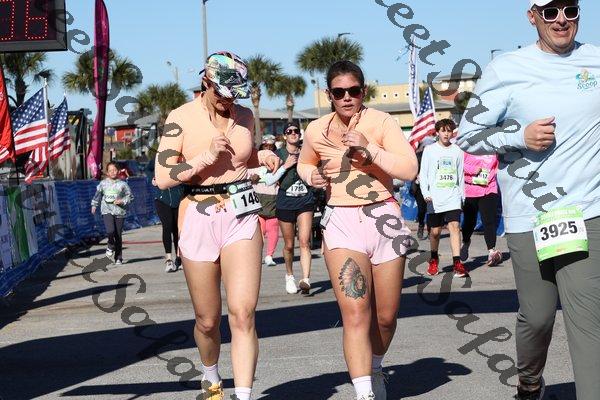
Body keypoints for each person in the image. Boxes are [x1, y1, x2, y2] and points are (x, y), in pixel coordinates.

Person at [457, 1, 600, 399]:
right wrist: (518, 136)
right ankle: (529, 382)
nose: (561, 20)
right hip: (530, 215)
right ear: (532, 16)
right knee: (537, 317)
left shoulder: (595, 60)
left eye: (570, 10)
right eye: (550, 12)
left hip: (588, 209)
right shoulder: (506, 69)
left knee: (588, 322)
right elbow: (468, 135)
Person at [155, 51, 281, 400]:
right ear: (206, 83)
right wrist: (204, 157)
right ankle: (211, 376)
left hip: (241, 212)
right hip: (198, 213)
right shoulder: (180, 117)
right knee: (208, 320)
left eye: (235, 95)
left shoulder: (245, 116)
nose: (230, 101)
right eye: (224, 94)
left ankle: (244, 395)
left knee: (243, 314)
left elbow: (245, 159)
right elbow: (163, 176)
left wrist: (263, 157)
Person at [298, 60, 418, 400]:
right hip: (341, 221)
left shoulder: (382, 122)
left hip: (384, 219)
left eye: (353, 91)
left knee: (385, 317)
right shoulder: (316, 129)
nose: (347, 97)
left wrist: (370, 149)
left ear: (363, 92)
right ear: (329, 95)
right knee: (355, 313)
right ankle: (364, 392)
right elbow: (304, 162)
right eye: (339, 92)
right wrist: (311, 175)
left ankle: (375, 366)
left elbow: (409, 169)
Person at [419, 119, 468, 278]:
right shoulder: (429, 150)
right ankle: (434, 259)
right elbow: (423, 174)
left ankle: (457, 263)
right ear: (437, 132)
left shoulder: (457, 151)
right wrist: (426, 193)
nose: (446, 134)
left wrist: (462, 196)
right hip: (434, 197)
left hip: (453, 196)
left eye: (449, 131)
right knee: (435, 232)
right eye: (443, 131)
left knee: (455, 227)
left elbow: (460, 175)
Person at [276, 122, 315, 294]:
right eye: (289, 131)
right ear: (285, 136)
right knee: (289, 245)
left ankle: (306, 279)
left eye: (296, 131)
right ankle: (289, 275)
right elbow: (269, 178)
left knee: (305, 241)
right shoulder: (278, 154)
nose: (293, 133)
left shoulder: (307, 152)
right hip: (285, 201)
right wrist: (286, 165)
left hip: (305, 200)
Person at [248, 140, 289, 266]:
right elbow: (248, 176)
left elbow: (279, 179)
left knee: (273, 229)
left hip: (273, 200)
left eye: (271, 147)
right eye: (265, 146)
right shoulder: (255, 163)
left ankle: (269, 255)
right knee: (260, 230)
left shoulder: (278, 163)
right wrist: (253, 177)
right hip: (258, 199)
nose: (268, 149)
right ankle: (257, 255)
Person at [460, 153, 502, 266]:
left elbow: (498, 165)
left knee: (489, 221)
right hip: (470, 189)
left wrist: (495, 173)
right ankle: (466, 242)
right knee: (469, 222)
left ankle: (491, 251)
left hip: (489, 188)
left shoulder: (493, 148)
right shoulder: (467, 148)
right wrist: (473, 170)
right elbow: (458, 164)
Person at [146, 150, 184, 272]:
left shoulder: (180, 157)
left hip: (179, 197)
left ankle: (179, 258)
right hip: (162, 198)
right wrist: (152, 178)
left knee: (177, 229)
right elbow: (148, 169)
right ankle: (168, 259)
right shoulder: (158, 157)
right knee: (167, 226)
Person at [91, 161, 133, 265]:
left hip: (119, 212)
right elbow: (97, 195)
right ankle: (110, 244)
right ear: (107, 172)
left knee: (118, 235)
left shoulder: (123, 184)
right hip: (107, 210)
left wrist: (122, 201)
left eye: (114, 170)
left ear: (118, 171)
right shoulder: (103, 184)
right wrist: (94, 205)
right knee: (110, 231)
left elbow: (130, 197)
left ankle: (118, 257)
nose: (112, 172)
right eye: (110, 170)